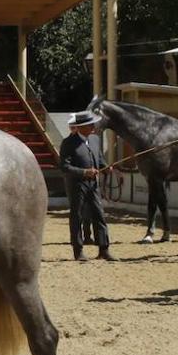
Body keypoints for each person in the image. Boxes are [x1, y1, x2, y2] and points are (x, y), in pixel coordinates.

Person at [60, 110, 114, 262]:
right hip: (77, 185)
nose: (93, 126)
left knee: (99, 215)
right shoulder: (68, 143)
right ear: (81, 127)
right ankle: (78, 251)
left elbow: (99, 159)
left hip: (93, 185)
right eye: (90, 124)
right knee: (76, 217)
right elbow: (64, 167)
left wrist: (107, 168)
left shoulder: (95, 140)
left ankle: (104, 249)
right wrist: (84, 172)